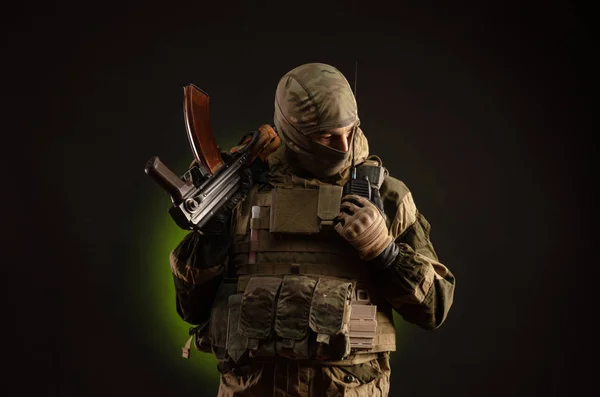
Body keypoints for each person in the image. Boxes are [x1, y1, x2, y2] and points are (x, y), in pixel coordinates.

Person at [169, 62, 456, 397]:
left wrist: (386, 252)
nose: (343, 146)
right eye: (326, 136)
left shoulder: (385, 197)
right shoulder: (240, 189)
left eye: (349, 131)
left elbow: (435, 307)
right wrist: (211, 238)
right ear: (292, 133)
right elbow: (189, 308)